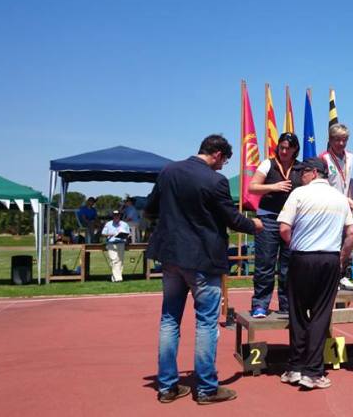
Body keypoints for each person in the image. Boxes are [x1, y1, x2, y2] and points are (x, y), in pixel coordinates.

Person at [146, 134, 263, 405]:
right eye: (224, 161)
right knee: (206, 323)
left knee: (169, 319)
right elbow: (231, 218)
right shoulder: (215, 180)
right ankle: (207, 388)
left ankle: (167, 386)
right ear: (218, 154)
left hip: (171, 256)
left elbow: (150, 208)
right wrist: (254, 225)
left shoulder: (168, 171)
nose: (223, 167)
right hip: (202, 259)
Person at [277, 157, 353, 389]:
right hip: (329, 258)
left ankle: (295, 367)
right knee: (321, 314)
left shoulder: (299, 194)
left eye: (302, 172)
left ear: (313, 172)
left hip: (302, 257)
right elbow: (352, 233)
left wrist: (296, 244)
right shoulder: (339, 198)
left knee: (297, 313)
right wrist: (342, 257)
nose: (300, 176)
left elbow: (284, 228)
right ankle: (312, 372)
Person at [248, 132, 302, 318]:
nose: (284, 151)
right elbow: (252, 187)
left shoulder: (300, 168)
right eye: (281, 147)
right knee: (265, 264)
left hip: (291, 221)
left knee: (289, 266)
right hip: (268, 220)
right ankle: (260, 305)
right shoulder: (268, 164)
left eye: (288, 148)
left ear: (295, 149)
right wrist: (274, 187)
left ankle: (286, 305)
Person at [320, 123, 353, 290]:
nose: (341, 143)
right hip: (329, 207)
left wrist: (351, 200)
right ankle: (329, 277)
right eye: (337, 140)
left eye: (344, 140)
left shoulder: (350, 157)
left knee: (350, 236)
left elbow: (348, 180)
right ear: (330, 139)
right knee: (331, 242)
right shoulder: (324, 158)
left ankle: (342, 274)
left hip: (345, 205)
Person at [101, 209, 131, 282]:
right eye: (115, 215)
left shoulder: (124, 224)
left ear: (120, 216)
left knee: (120, 260)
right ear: (113, 216)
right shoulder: (108, 224)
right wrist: (110, 234)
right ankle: (118, 278)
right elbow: (103, 233)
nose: (116, 216)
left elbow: (128, 233)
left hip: (121, 243)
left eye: (117, 215)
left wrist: (125, 236)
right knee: (114, 260)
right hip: (111, 243)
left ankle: (114, 277)